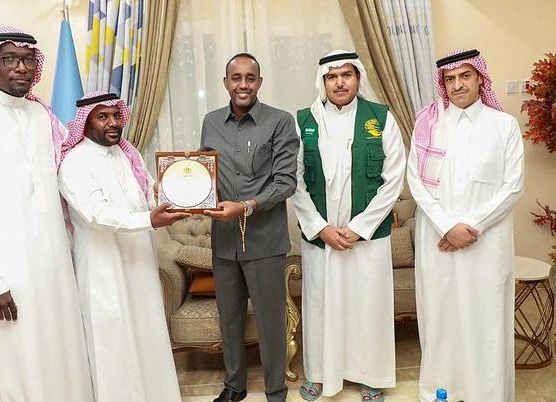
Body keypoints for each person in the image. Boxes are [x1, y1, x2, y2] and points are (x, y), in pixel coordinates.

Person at [0, 27, 93, 401]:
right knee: (21, 361)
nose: (21, 67)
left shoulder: (42, 116)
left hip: (55, 263)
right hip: (6, 270)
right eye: (10, 59)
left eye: (28, 60)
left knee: (66, 354)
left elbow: (71, 178)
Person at [407, 48, 524, 402]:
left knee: (485, 319)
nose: (457, 84)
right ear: (442, 84)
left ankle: (487, 393)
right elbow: (415, 181)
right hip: (437, 238)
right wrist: (447, 227)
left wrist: (470, 227)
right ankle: (442, 391)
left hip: (486, 241)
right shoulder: (428, 124)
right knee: (441, 317)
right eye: (450, 79)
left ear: (480, 79)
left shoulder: (504, 125)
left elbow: (513, 186)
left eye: (465, 76)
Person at [58, 91, 187, 402]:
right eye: (102, 116)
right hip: (103, 268)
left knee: (147, 332)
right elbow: (96, 214)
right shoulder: (74, 162)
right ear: (85, 122)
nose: (113, 123)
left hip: (140, 261)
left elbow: (148, 198)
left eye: (116, 115)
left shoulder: (129, 155)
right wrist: (149, 219)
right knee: (114, 343)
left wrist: (174, 193)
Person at [292, 50, 405, 402]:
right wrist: (320, 227)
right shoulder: (304, 120)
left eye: (346, 75)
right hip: (322, 238)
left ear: (358, 78)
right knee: (321, 306)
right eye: (332, 76)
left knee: (367, 306)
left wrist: (359, 227)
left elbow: (394, 179)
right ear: (322, 81)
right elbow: (294, 181)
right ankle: (320, 374)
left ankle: (371, 376)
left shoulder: (381, 118)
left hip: (366, 239)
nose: (339, 82)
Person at [200, 53, 299, 402]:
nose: (243, 85)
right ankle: (234, 386)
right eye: (236, 78)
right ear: (226, 82)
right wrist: (177, 190)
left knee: (270, 323)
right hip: (224, 241)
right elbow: (204, 173)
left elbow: (286, 182)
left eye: (250, 78)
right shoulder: (211, 122)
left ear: (259, 82)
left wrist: (245, 206)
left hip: (265, 241)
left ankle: (276, 392)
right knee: (229, 319)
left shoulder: (280, 121)